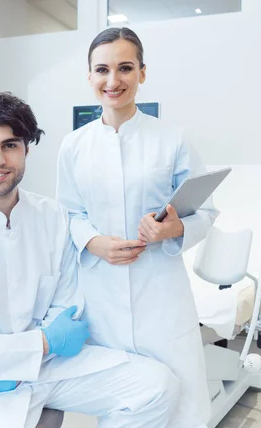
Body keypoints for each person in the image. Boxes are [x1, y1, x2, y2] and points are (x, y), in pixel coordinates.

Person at [0, 91, 179, 428]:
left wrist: (42, 346)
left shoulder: (54, 217)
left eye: (10, 145)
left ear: (26, 149)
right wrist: (38, 342)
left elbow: (65, 305)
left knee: (156, 386)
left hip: (47, 364)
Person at [57, 28, 219, 428]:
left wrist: (173, 230)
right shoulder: (73, 146)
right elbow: (68, 215)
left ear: (142, 73)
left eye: (125, 68)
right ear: (89, 77)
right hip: (102, 296)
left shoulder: (172, 140)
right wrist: (94, 242)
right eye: (102, 70)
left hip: (161, 294)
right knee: (125, 403)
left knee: (181, 401)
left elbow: (206, 212)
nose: (113, 81)